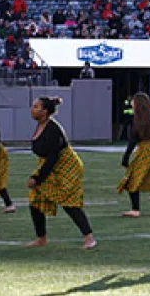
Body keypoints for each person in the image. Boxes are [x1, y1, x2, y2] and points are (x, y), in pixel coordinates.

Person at [26, 97, 97, 250]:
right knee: (35, 200)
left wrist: (37, 178)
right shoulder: (40, 125)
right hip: (50, 164)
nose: (32, 109)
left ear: (45, 111)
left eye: (36, 107)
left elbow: (53, 157)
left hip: (67, 166)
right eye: (33, 106)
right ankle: (41, 238)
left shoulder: (52, 129)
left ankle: (89, 238)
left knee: (68, 201)